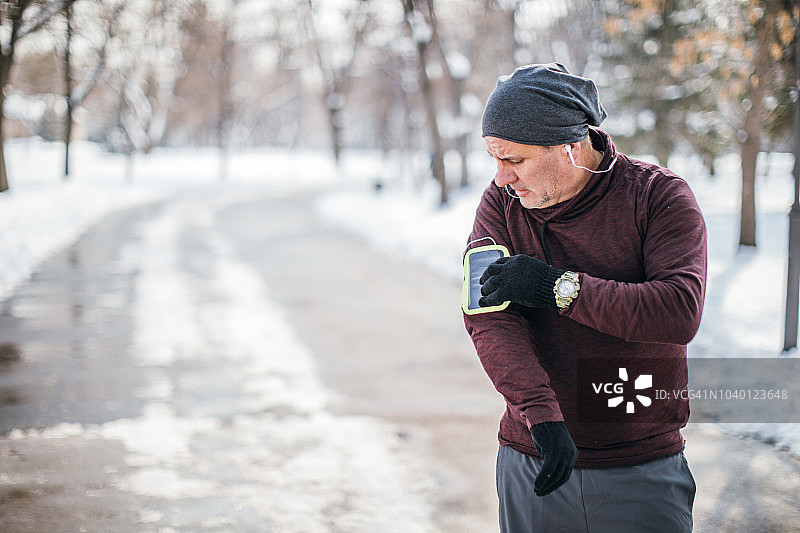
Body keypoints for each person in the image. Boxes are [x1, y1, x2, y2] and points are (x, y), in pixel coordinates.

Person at [462, 63, 706, 532]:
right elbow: (489, 316)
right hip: (534, 454)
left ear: (572, 147)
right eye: (494, 158)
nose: (500, 178)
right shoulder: (502, 205)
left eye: (513, 159)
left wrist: (557, 288)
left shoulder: (658, 197)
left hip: (640, 461)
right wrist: (541, 416)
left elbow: (678, 311)